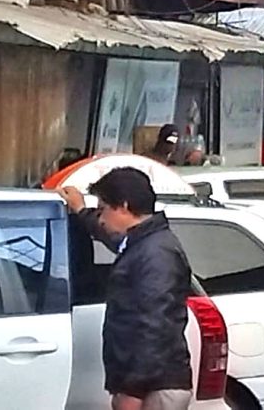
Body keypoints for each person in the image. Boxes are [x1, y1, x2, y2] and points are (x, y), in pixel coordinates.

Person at [57, 168, 193, 410]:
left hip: (153, 390)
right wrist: (80, 210)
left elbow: (153, 328)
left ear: (124, 206)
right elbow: (111, 237)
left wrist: (133, 391)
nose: (100, 218)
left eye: (103, 209)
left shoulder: (156, 254)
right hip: (147, 385)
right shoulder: (142, 243)